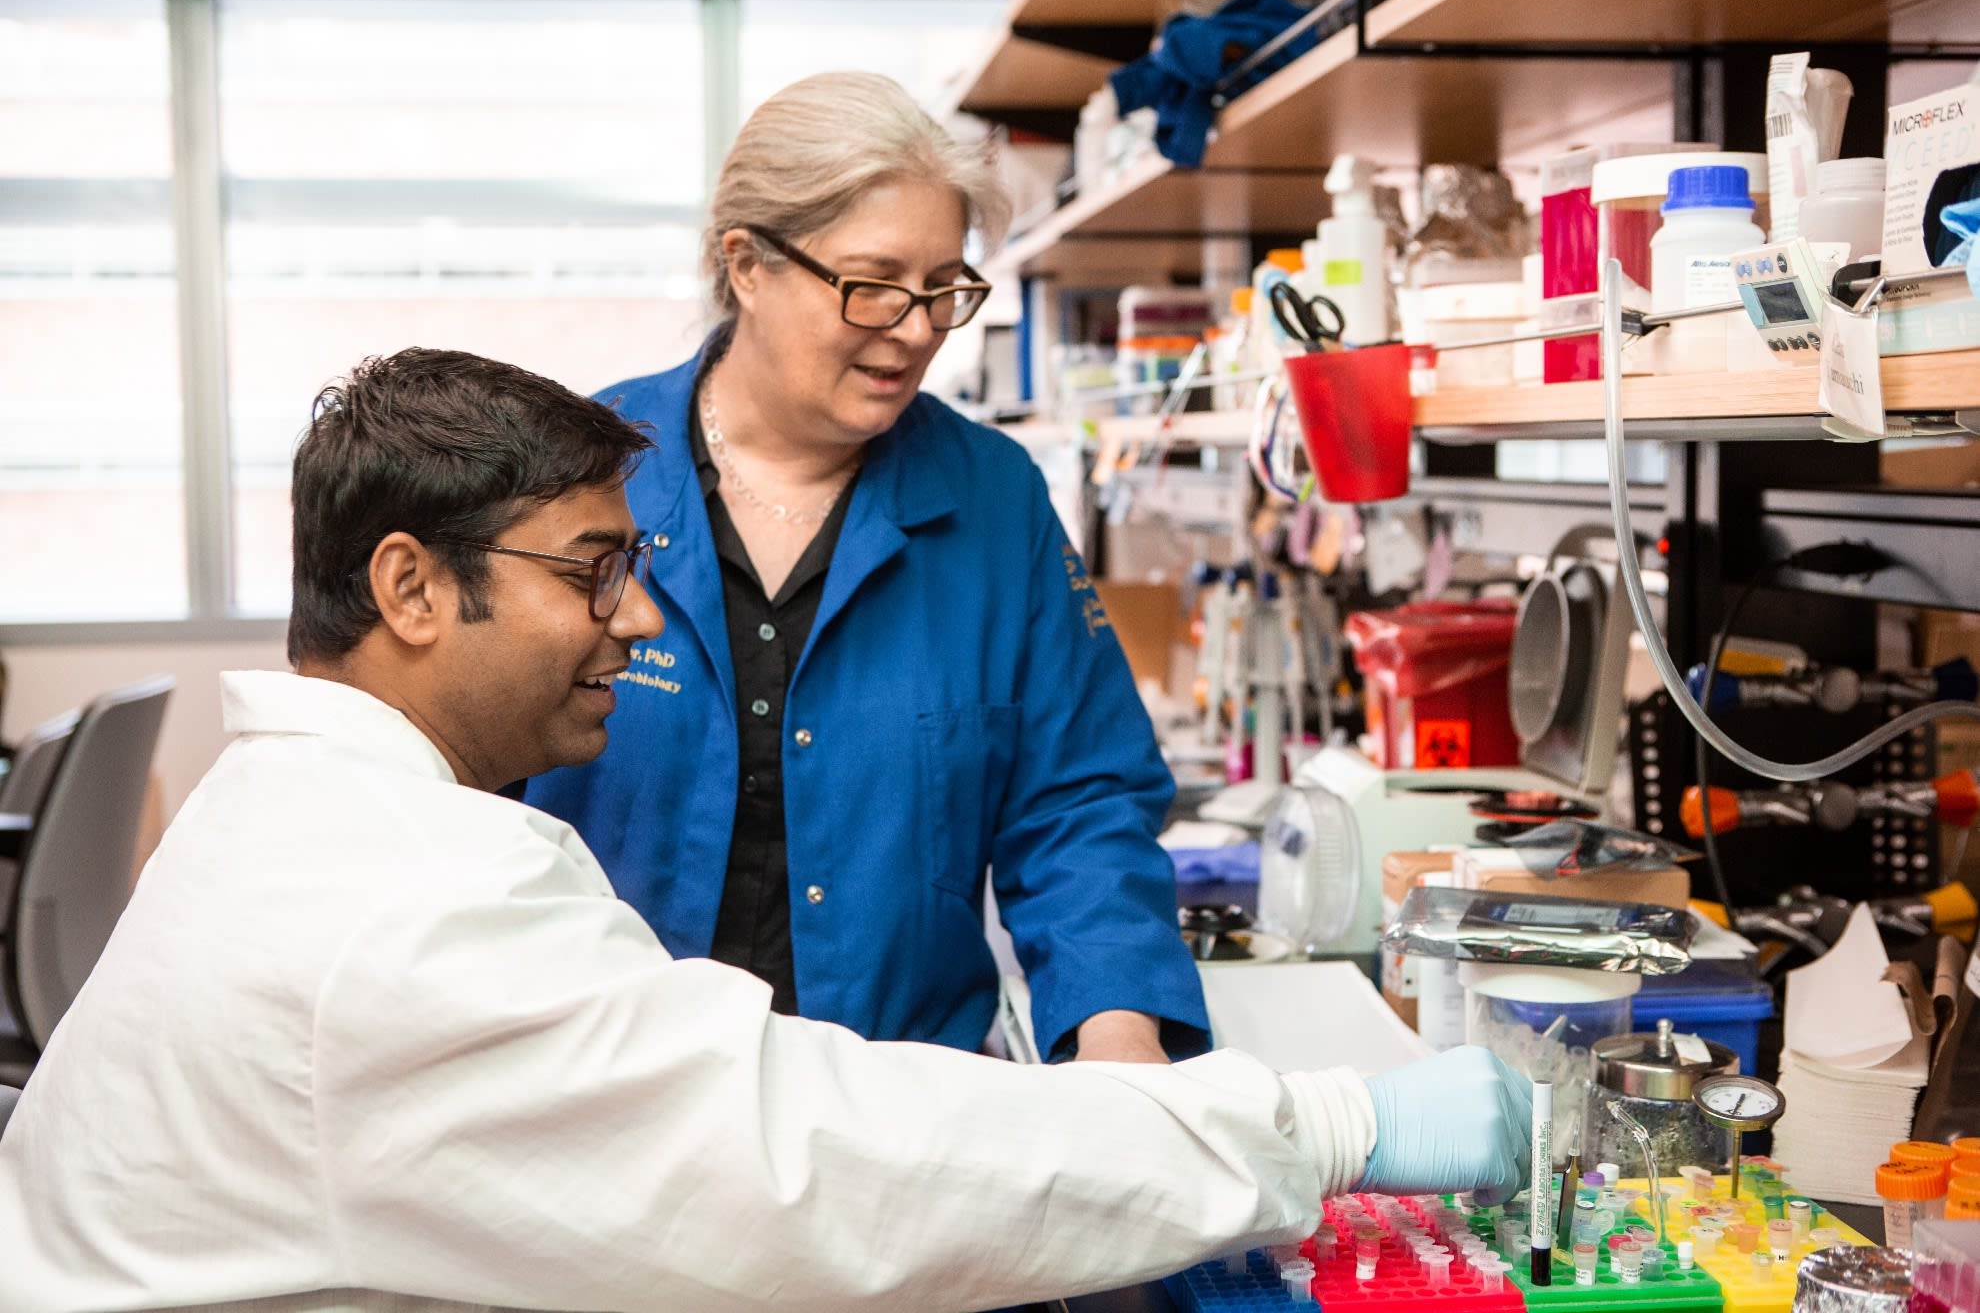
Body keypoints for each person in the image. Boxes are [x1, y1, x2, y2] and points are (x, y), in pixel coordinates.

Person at [0, 348, 1532, 1312]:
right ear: (410, 590)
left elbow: (1068, 801)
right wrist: (1331, 1126)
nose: (642, 620)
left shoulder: (299, 815)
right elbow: (822, 1167)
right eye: (596, 572)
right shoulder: (401, 908)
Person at [526, 71, 1203, 1065]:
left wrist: (1119, 1038)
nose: (920, 327)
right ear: (747, 264)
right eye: (875, 283)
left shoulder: (992, 502)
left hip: (900, 1112)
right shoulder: (582, 472)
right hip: (611, 1095)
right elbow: (466, 780)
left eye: (944, 288)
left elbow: (1078, 804)